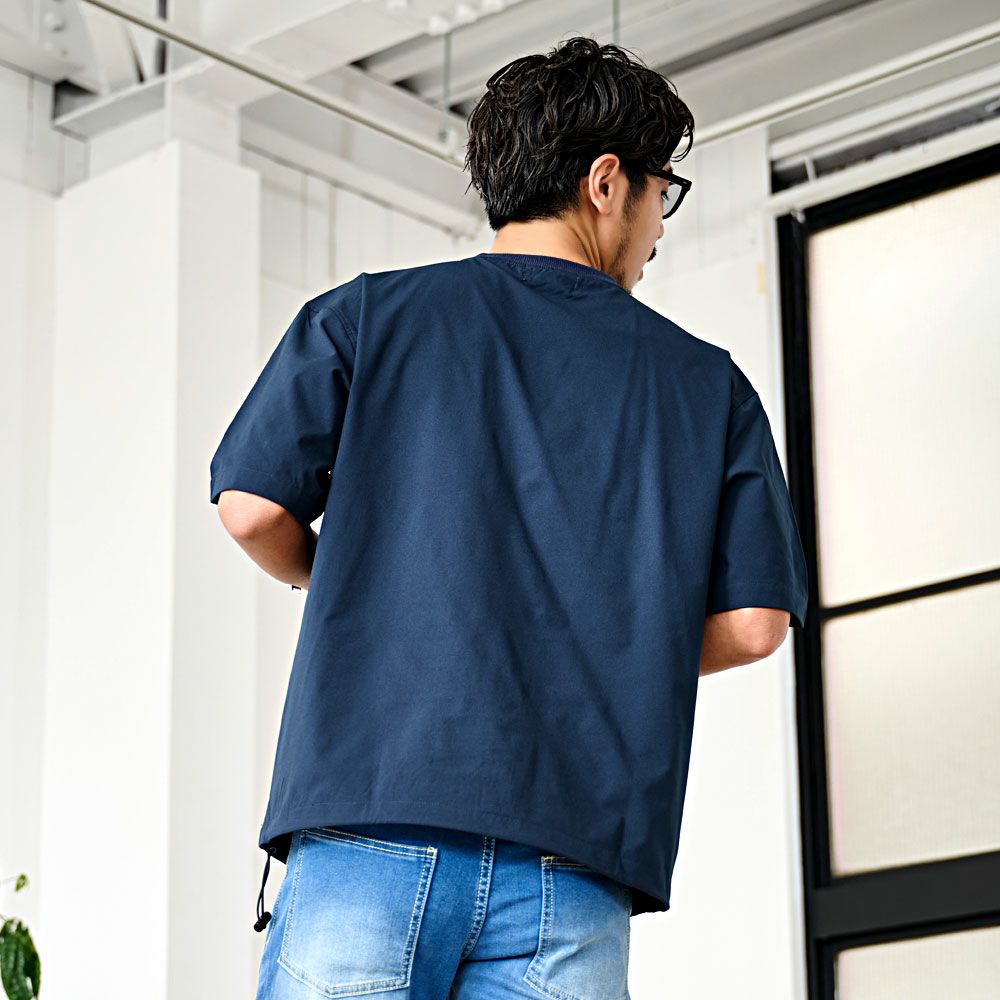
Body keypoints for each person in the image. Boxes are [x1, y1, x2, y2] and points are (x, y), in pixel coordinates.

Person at [210, 35, 808, 1000]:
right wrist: (617, 647)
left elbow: (249, 509)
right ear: (606, 183)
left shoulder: (370, 317)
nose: (660, 227)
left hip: (372, 817)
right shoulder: (709, 387)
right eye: (663, 192)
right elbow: (754, 624)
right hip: (574, 863)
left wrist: (345, 576)